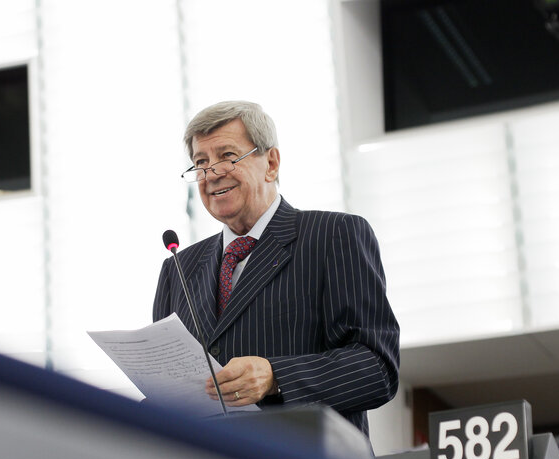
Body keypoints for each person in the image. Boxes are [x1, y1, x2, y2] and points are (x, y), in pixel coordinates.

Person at [153, 101, 399, 435]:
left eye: (227, 156)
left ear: (271, 163)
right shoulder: (178, 269)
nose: (212, 174)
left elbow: (376, 369)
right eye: (201, 162)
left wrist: (275, 377)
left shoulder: (333, 236)